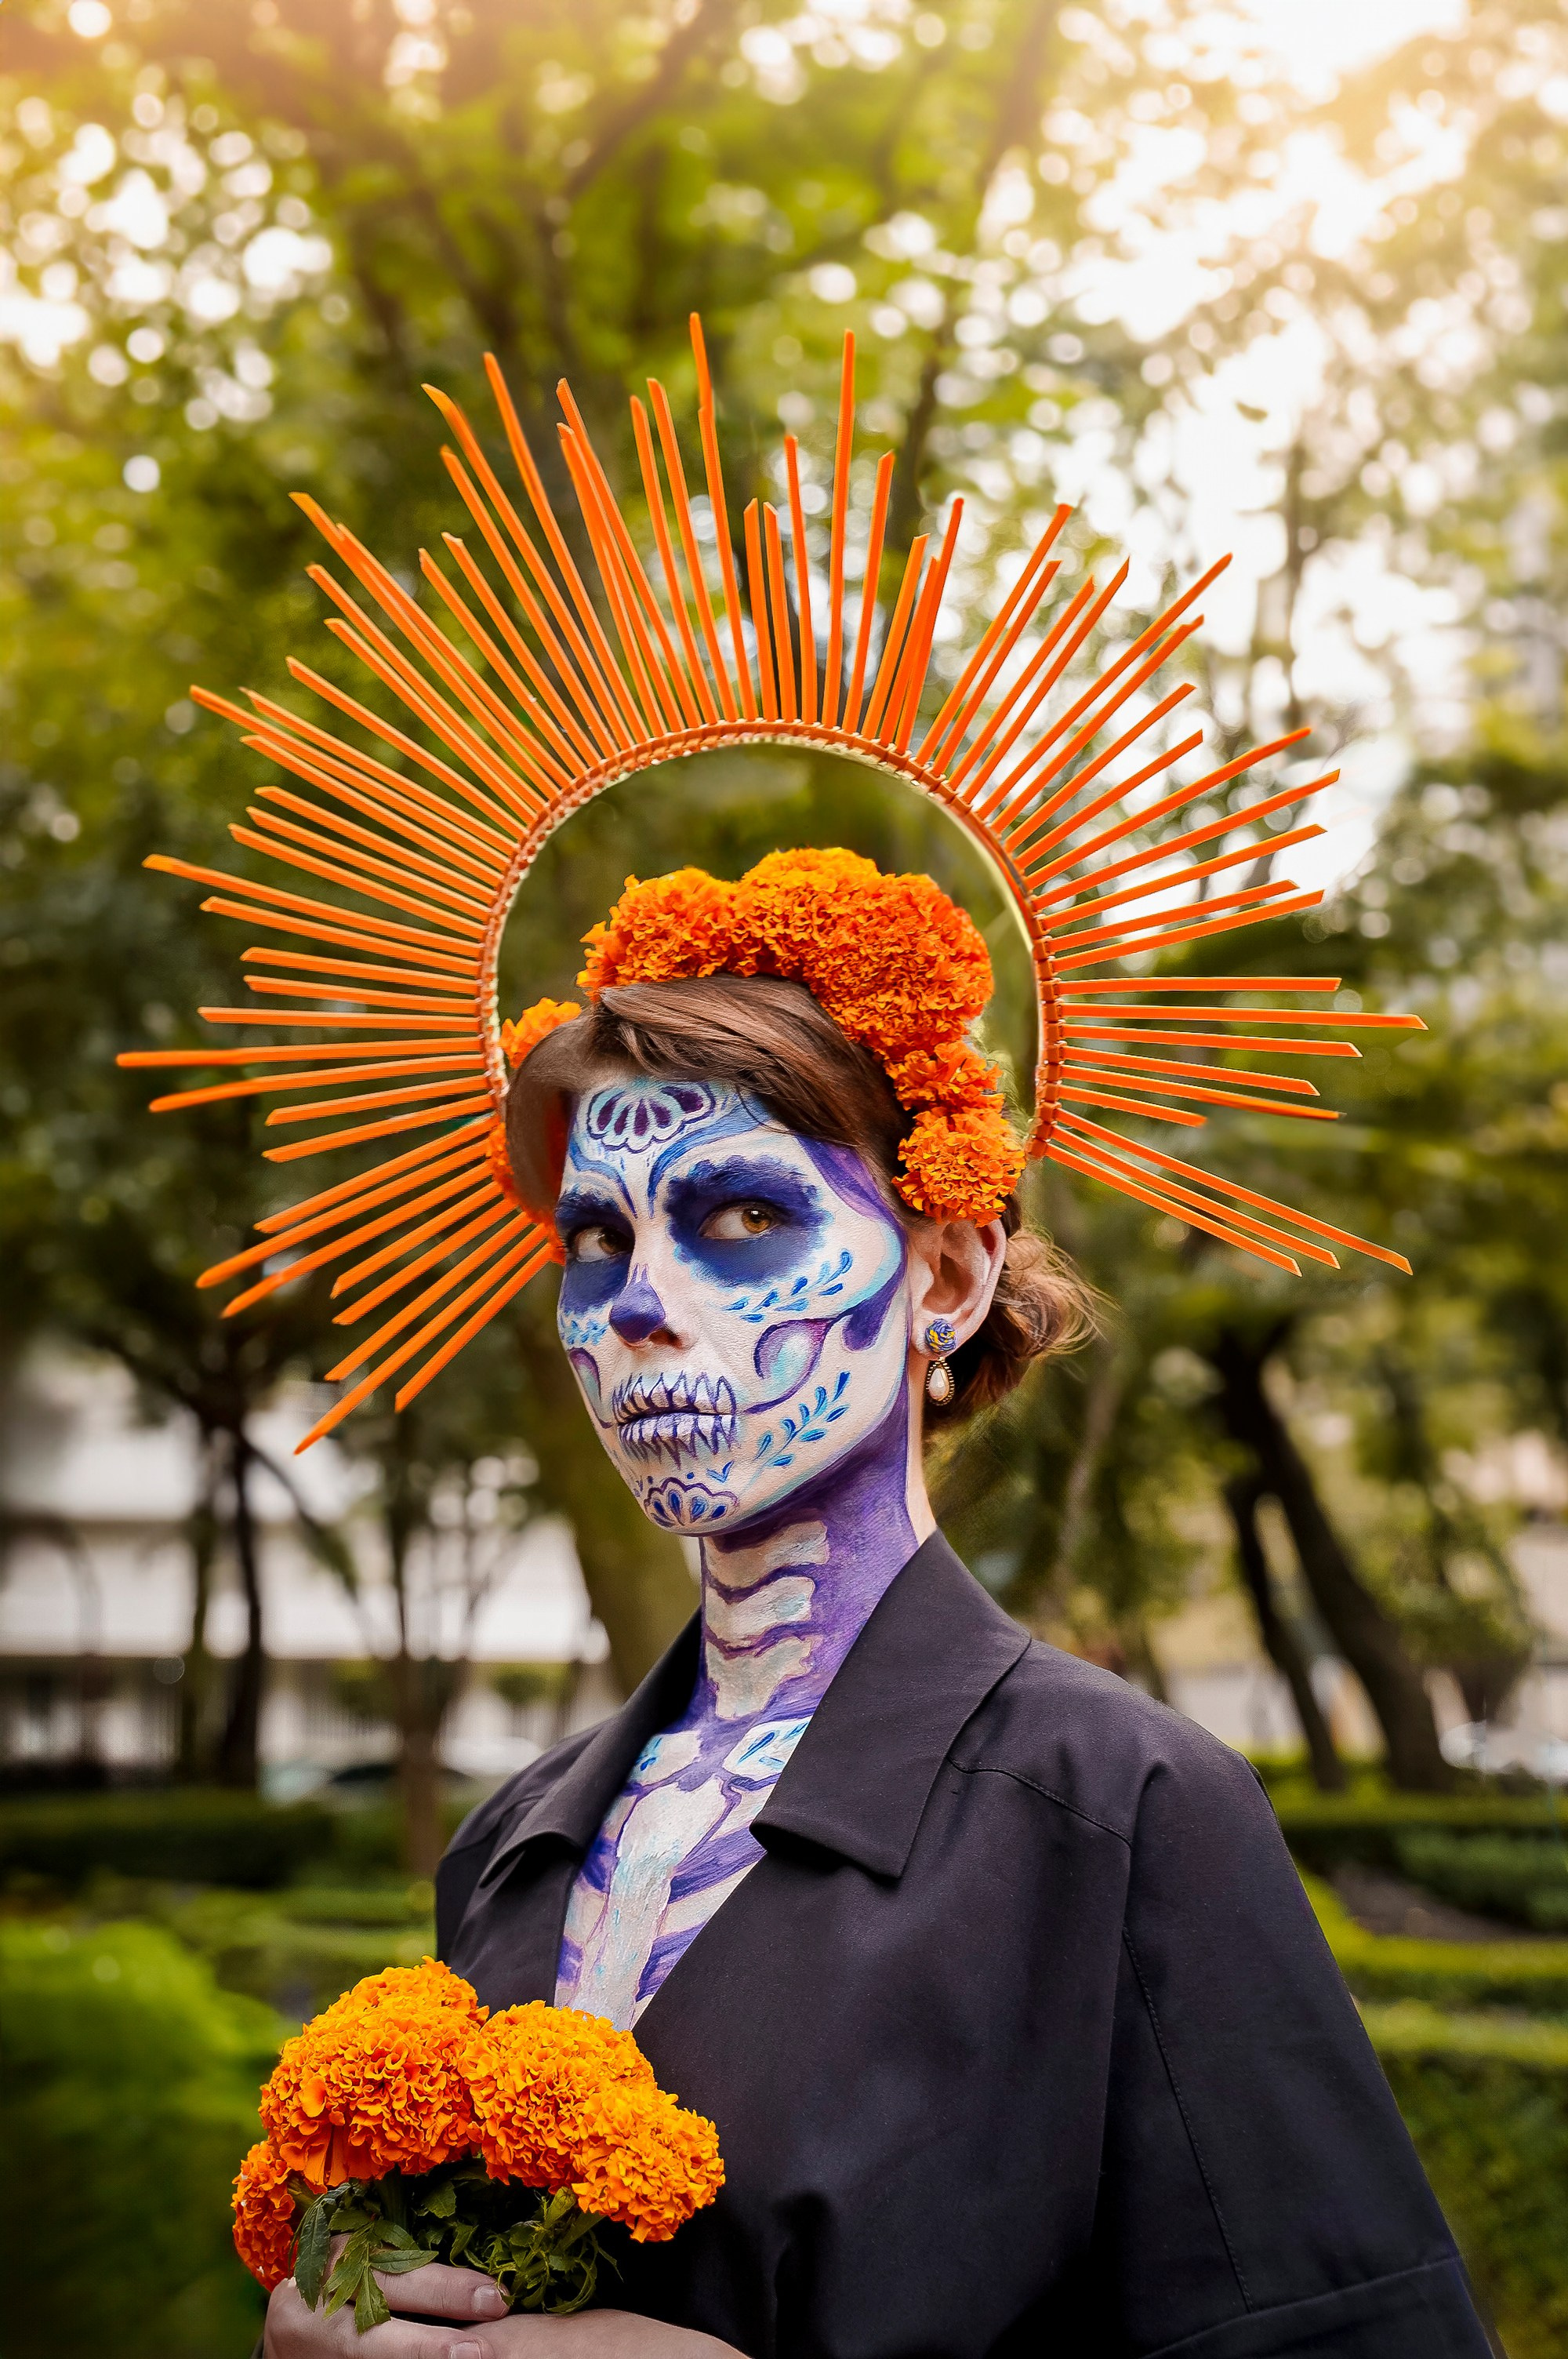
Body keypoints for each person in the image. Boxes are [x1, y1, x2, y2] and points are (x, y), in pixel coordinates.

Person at [263, 883, 1490, 2359]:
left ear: (951, 1275)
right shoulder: (515, 1842)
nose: (639, 1302)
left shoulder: (1124, 1815)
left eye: (745, 1217)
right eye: (597, 1240)